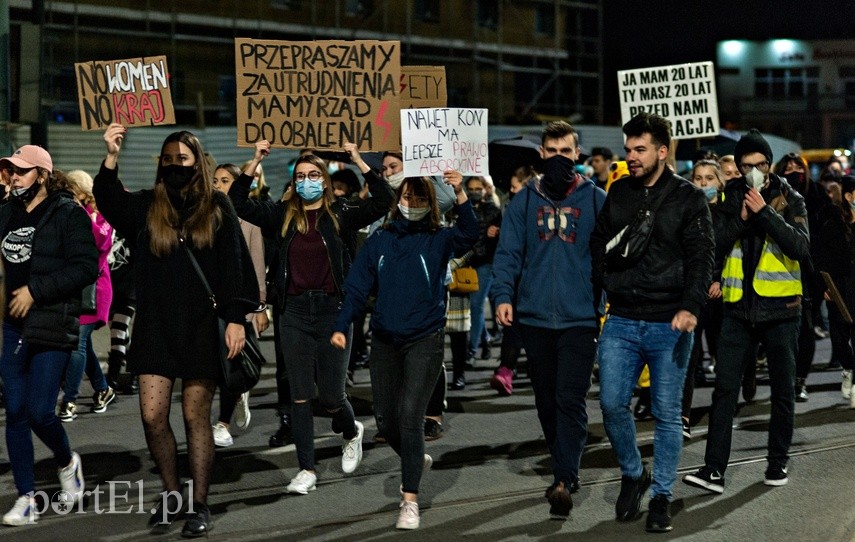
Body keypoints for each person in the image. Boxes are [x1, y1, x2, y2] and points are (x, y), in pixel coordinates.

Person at [95, 124, 258, 536]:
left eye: (181, 160)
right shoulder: (148, 207)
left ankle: (199, 504)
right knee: (152, 416)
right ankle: (170, 494)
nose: (173, 166)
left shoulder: (218, 207)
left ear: (197, 163)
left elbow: (236, 267)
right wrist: (112, 155)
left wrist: (237, 319)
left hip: (203, 328)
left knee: (194, 417)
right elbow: (109, 201)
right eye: (167, 160)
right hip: (156, 328)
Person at [231, 140, 394, 496]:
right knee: (301, 395)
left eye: (313, 175)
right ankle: (307, 469)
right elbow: (237, 203)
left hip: (333, 312)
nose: (307, 181)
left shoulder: (343, 212)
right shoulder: (281, 215)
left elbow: (383, 201)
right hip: (293, 312)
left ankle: (352, 431)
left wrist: (358, 161)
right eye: (301, 176)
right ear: (294, 182)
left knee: (332, 395)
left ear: (324, 179)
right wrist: (255, 161)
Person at [331, 172, 478, 530]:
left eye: (419, 198)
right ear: (398, 201)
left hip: (424, 339)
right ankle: (415, 458)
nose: (411, 204)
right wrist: (341, 325)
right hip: (385, 339)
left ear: (430, 204)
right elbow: (356, 286)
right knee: (386, 420)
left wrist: (459, 192)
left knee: (411, 416)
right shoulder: (380, 240)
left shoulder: (439, 239)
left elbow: (469, 235)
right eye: (406, 198)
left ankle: (409, 499)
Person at [590, 113, 714, 533]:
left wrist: (691, 307)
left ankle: (661, 494)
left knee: (666, 414)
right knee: (610, 404)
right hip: (621, 319)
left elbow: (701, 258)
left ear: (663, 152)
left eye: (640, 149)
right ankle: (632, 472)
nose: (631, 157)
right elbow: (598, 245)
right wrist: (602, 290)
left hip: (669, 324)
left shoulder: (689, 197)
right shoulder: (619, 191)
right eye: (628, 149)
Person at [683, 129, 809, 496]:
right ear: (737, 167)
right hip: (737, 310)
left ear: (769, 165)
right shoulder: (727, 198)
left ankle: (777, 461)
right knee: (724, 391)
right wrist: (739, 217)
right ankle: (714, 470)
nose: (754, 171)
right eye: (747, 165)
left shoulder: (791, 197)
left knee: (783, 392)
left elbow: (800, 246)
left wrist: (765, 214)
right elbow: (713, 244)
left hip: (782, 309)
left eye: (761, 165)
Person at [492, 120, 606, 519]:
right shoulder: (524, 201)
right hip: (535, 318)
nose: (559, 158)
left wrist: (608, 305)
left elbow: (608, 258)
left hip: (579, 319)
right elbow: (507, 254)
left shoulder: (595, 199)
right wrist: (503, 296)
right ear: (541, 155)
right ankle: (563, 466)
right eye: (552, 152)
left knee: (569, 399)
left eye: (566, 152)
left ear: (577, 154)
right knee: (545, 402)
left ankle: (564, 477)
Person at [0, 146, 98, 526]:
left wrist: (35, 291)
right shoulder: (6, 212)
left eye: (21, 171)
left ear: (42, 174)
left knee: (41, 411)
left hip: (51, 322)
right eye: (10, 170)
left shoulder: (67, 213)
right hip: (12, 327)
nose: (13, 177)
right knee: (16, 413)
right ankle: (26, 497)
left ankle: (66, 461)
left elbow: (86, 267)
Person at [210, 163, 269, 447]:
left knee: (232, 363)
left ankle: (221, 423)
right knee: (217, 366)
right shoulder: (205, 217)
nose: (218, 185)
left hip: (238, 304)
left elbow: (257, 265)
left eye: (225, 181)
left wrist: (259, 307)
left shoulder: (248, 219)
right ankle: (237, 396)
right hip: (210, 305)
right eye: (215, 180)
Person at [59, 170, 116, 421]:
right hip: (75, 288)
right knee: (84, 345)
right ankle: (103, 389)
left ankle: (69, 400)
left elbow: (101, 243)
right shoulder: (71, 212)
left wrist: (86, 214)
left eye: (71, 191)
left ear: (81, 192)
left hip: (95, 290)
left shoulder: (102, 213)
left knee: (77, 344)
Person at [775, 152, 829, 401]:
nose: (794, 171)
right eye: (788, 167)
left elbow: (829, 236)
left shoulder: (817, 195)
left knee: (807, 327)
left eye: (798, 166)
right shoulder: (772, 194)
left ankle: (799, 380)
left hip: (811, 273)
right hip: (779, 270)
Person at [681, 160, 726, 438]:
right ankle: (683, 416)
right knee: (687, 357)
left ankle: (721, 412)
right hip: (694, 295)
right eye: (698, 178)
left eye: (709, 178)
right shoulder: (687, 212)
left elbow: (730, 249)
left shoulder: (727, 213)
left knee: (724, 357)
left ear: (719, 183)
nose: (703, 183)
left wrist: (720, 279)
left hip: (720, 297)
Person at [816, 175, 855, 408]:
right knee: (840, 339)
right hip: (839, 288)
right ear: (849, 196)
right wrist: (825, 287)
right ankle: (848, 367)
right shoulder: (833, 223)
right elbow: (821, 257)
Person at [462, 175, 502, 376]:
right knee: (471, 307)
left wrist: (497, 232)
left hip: (485, 262)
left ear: (485, 190)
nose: (474, 191)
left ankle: (471, 350)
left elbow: (503, 237)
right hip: (465, 262)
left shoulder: (493, 211)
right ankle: (484, 339)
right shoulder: (460, 208)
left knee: (476, 307)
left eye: (478, 188)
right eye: (471, 188)